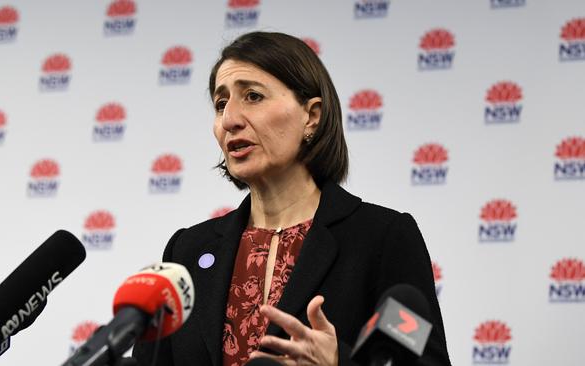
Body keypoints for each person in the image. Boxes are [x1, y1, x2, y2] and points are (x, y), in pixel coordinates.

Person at [133, 31, 452, 366]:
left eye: (253, 96)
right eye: (220, 103)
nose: (230, 120)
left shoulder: (382, 238)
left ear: (311, 116)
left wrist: (339, 363)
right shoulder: (188, 250)